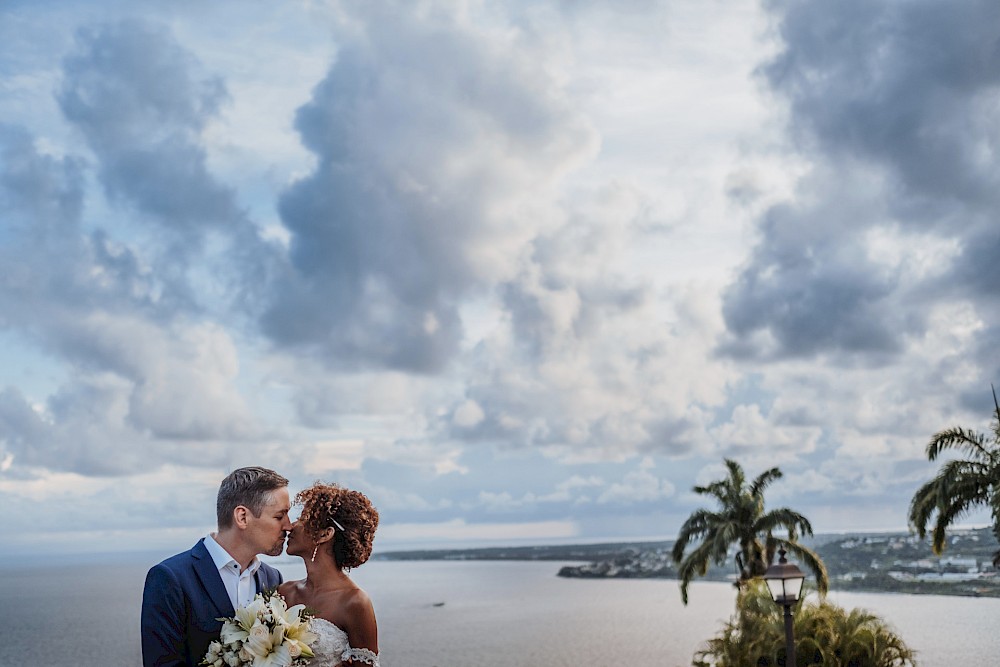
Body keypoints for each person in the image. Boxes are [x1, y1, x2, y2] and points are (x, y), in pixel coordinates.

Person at [141, 466, 293, 667]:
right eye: (279, 516)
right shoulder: (170, 578)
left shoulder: (272, 578)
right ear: (242, 517)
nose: (289, 526)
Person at [279, 482, 380, 666]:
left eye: (302, 518)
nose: (291, 526)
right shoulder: (284, 592)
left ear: (325, 534)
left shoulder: (355, 602)